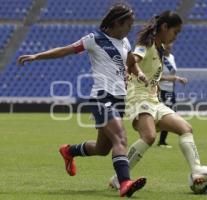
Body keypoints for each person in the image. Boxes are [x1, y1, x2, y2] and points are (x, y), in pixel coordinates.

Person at [18, 4, 148, 197]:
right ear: (117, 23)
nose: (131, 28)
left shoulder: (125, 42)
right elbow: (65, 50)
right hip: (102, 97)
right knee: (120, 137)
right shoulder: (94, 39)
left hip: (120, 99)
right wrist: (37, 56)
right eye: (129, 24)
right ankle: (125, 183)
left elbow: (130, 62)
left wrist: (139, 73)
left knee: (102, 148)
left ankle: (69, 151)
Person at [109, 10, 207, 191]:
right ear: (164, 27)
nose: (176, 37)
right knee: (149, 137)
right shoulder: (144, 45)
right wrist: (132, 72)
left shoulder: (160, 49)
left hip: (153, 100)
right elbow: (134, 60)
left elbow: (153, 74)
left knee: (186, 129)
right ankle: (119, 178)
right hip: (138, 97)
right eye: (175, 32)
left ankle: (196, 172)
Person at [157, 43, 187, 148]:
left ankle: (162, 141)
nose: (169, 48)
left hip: (170, 90)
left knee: (169, 114)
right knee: (167, 115)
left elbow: (172, 74)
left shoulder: (171, 57)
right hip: (162, 90)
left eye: (170, 46)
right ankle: (158, 138)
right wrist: (173, 79)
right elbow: (157, 76)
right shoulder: (159, 58)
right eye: (166, 47)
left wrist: (177, 79)